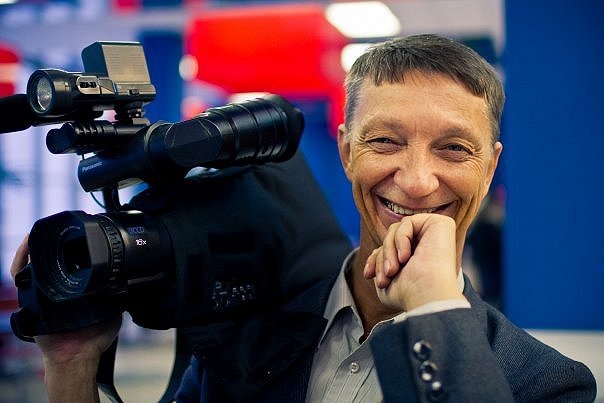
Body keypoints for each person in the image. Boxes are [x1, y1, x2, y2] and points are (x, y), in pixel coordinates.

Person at [11, 34, 596, 402]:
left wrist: (433, 313)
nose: (418, 181)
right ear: (345, 151)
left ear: (489, 169)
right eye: (385, 141)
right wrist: (73, 364)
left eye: (454, 149)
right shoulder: (245, 328)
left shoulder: (547, 384)